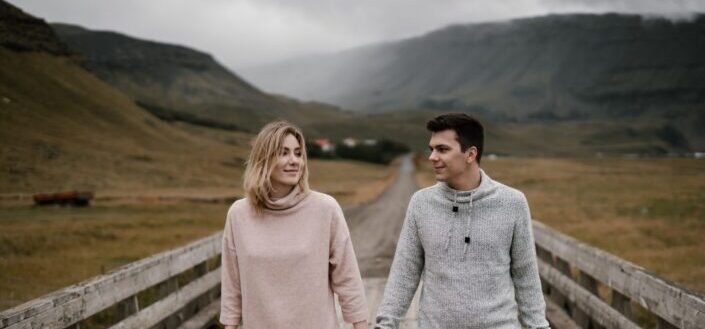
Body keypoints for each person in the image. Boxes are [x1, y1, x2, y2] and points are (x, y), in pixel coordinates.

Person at [375, 113, 550, 329]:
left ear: (470, 154)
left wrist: (539, 327)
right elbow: (405, 272)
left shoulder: (512, 203)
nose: (432, 157)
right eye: (432, 149)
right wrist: (385, 324)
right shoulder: (421, 203)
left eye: (443, 149)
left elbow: (526, 276)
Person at [219, 121, 369, 329]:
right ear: (264, 159)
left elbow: (348, 279)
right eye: (284, 153)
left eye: (298, 153)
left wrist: (361, 326)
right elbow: (232, 287)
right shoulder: (239, 214)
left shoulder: (325, 208)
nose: (294, 161)